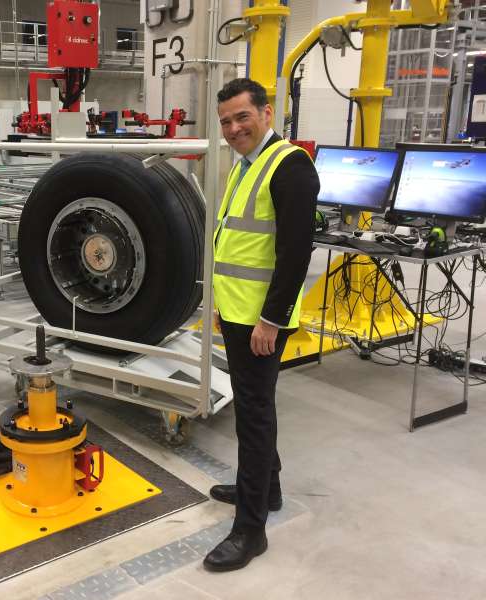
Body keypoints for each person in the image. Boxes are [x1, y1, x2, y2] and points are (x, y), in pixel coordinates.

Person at [204, 78, 319, 572]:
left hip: (261, 321)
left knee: (253, 416)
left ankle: (250, 530)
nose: (233, 128)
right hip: (237, 310)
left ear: (266, 114)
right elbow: (234, 242)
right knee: (257, 406)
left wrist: (271, 318)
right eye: (226, 121)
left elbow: (296, 254)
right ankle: (265, 488)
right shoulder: (245, 166)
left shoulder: (289, 166)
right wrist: (219, 303)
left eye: (241, 117)